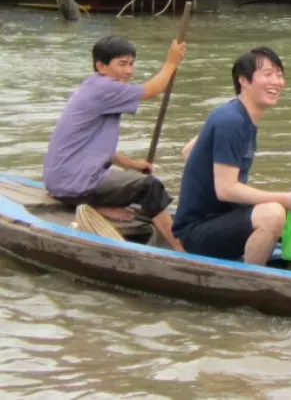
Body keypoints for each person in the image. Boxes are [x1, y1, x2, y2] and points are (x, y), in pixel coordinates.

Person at [173, 47, 291, 264]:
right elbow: (225, 190)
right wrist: (284, 199)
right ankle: (252, 278)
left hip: (226, 217)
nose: (276, 82)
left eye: (279, 75)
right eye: (267, 74)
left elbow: (189, 151)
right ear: (244, 80)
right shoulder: (232, 121)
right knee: (273, 213)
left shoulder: (235, 114)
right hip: (197, 231)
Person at [43, 35, 188, 251]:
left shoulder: (93, 87)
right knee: (149, 187)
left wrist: (131, 164)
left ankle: (97, 205)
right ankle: (181, 251)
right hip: (73, 183)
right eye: (122, 64)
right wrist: (171, 63)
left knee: (137, 179)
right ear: (101, 66)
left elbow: (95, 146)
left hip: (62, 179)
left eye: (131, 64)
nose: (129, 71)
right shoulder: (105, 88)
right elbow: (152, 89)